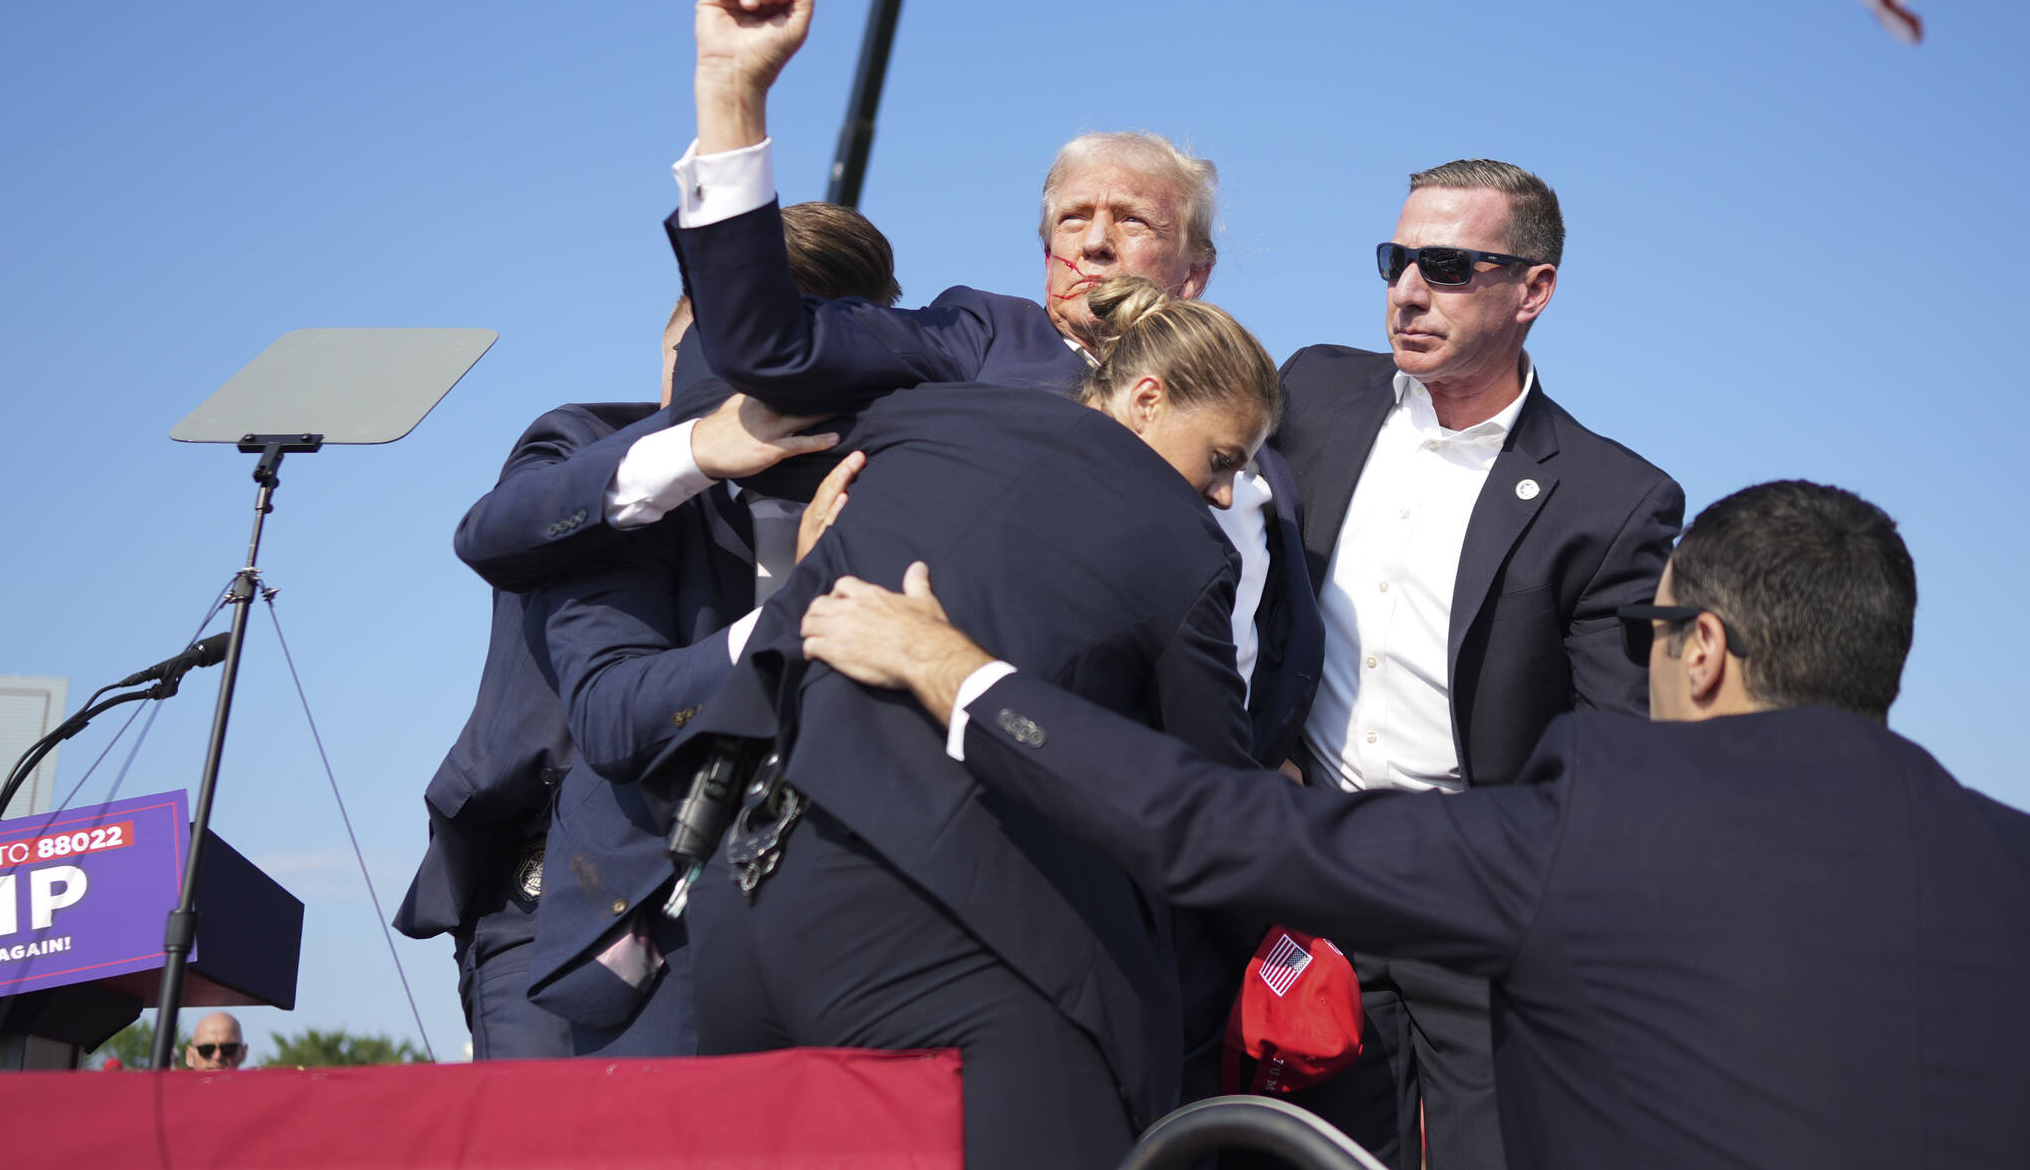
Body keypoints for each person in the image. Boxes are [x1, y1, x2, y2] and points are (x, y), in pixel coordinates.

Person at [800, 479, 2030, 1170]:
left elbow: (1214, 828)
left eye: (1644, 636)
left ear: (1701, 650)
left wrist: (955, 675)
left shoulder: (1602, 823)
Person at [660, 279, 1280, 1170]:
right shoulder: (1183, 543)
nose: (1224, 494)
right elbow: (1214, 812)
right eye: (1223, 457)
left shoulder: (922, 421)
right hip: (962, 934)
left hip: (744, 906)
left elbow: (731, 378)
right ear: (1147, 399)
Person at [394, 203, 896, 1059]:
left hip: (789, 908)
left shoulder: (876, 481)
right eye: (704, 352)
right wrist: (699, 448)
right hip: (567, 909)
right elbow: (492, 532)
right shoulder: (595, 448)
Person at [1264, 159, 1684, 1166]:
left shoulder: (1611, 499)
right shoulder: (1310, 392)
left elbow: (1610, 743)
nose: (1406, 291)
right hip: (1296, 871)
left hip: (1472, 903)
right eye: (1395, 260)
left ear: (1531, 290)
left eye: (1446, 267)